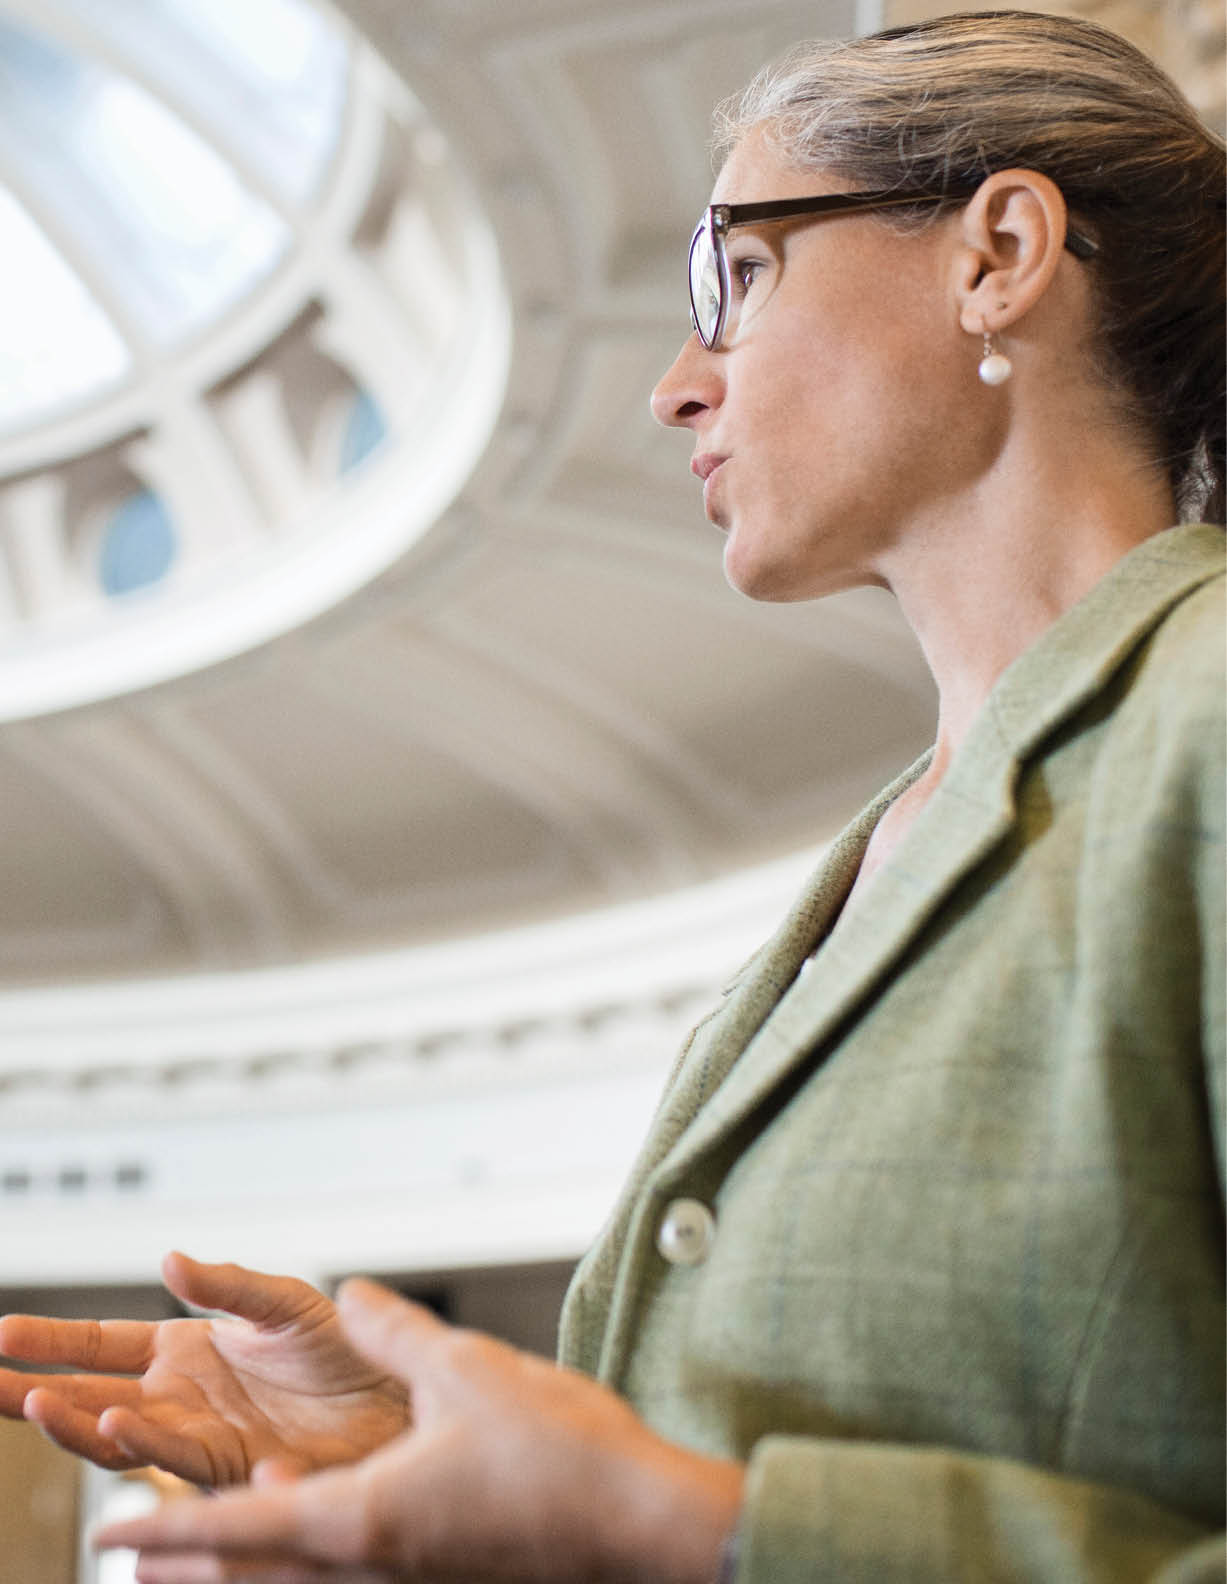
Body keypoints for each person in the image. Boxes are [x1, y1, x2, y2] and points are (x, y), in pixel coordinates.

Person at [0, 10, 1223, 1581]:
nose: (673, 387)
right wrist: (432, 1459)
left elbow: (711, 1518)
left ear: (997, 250)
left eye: (740, 278)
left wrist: (692, 1528)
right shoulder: (859, 870)